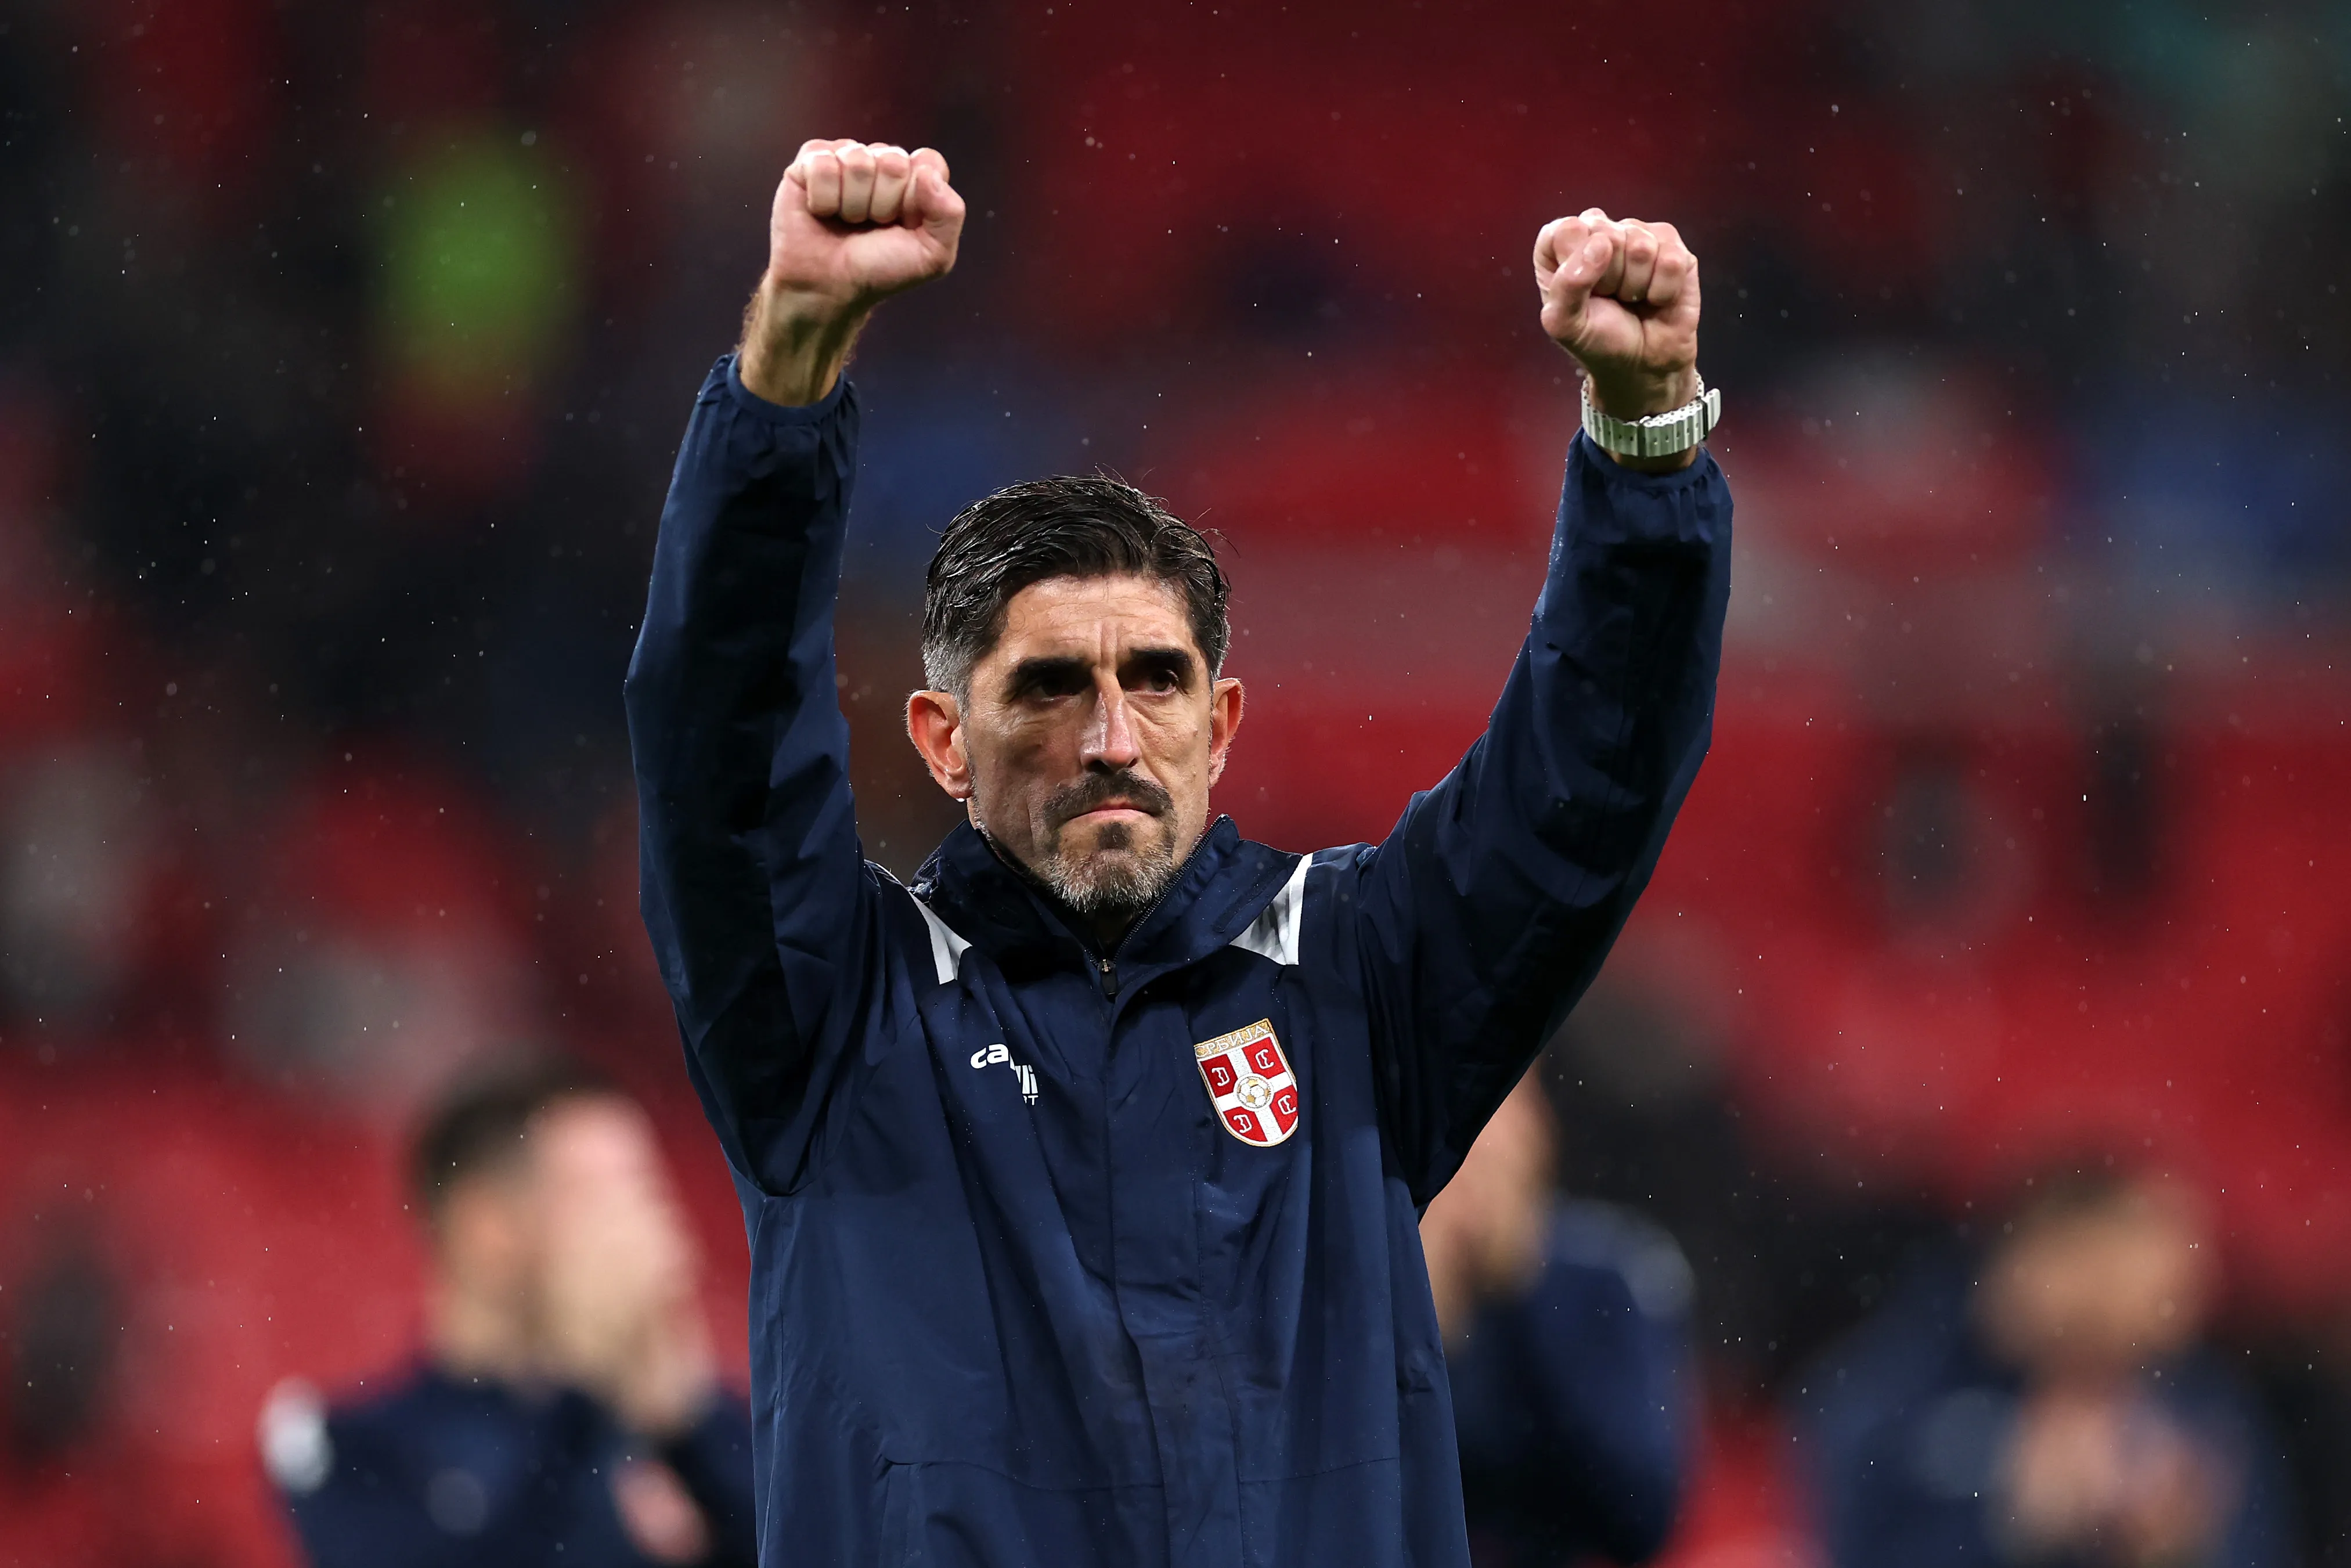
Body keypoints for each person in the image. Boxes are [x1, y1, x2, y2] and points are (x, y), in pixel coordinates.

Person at [623, 138, 1732, 1567]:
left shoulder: (1356, 981)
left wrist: (1645, 447)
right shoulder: (837, 1016)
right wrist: (780, 387)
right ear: (941, 740)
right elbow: (717, 744)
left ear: (1217, 724)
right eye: (1043, 686)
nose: (1107, 737)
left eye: (1151, 680)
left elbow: (1589, 781)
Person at [262, 1063, 758, 1568]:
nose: (645, 1228)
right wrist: (589, 1386)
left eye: (647, 1192)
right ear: (487, 1226)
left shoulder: (692, 1420)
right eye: (601, 1198)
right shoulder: (356, 1448)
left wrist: (688, 1423)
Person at [1797, 1162, 2298, 1568]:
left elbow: (2261, 1546)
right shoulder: (1906, 1378)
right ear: (2024, 1260)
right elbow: (1847, 1533)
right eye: (2095, 1270)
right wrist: (2009, 1518)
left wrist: (2172, 1549)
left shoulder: (2206, 1409)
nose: (2115, 1305)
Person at [1422, 1075, 1696, 1566]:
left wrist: (1523, 1283)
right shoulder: (1373, 1271)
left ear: (1537, 1125)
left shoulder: (1608, 1273)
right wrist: (1426, 1321)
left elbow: (1641, 1513)